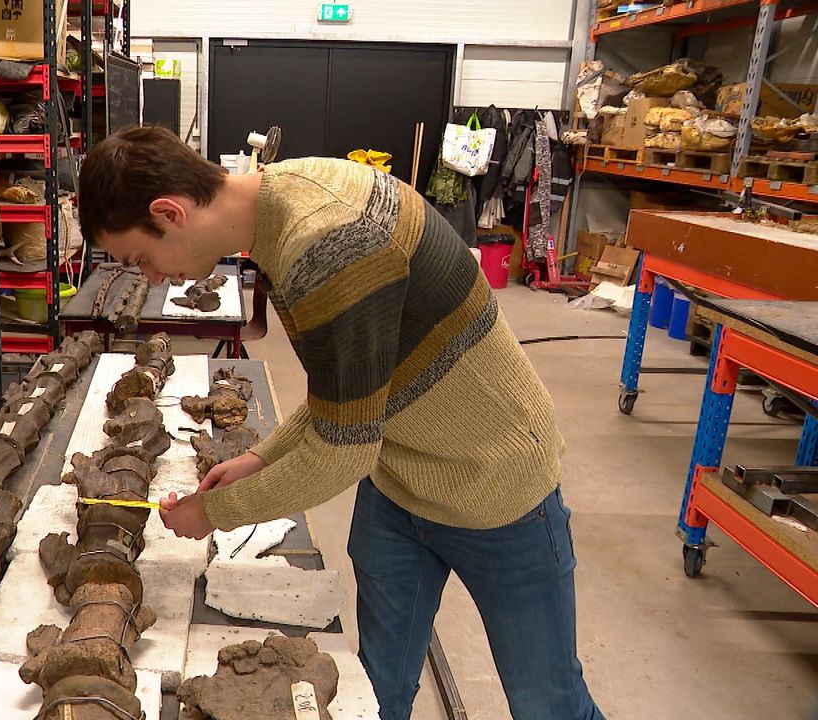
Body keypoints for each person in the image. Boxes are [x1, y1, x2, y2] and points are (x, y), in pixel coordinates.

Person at [77, 125, 603, 720]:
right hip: (399, 483)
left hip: (496, 490)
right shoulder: (279, 215)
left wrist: (216, 513)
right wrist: (258, 458)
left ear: (169, 212)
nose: (147, 277)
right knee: (371, 692)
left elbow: (344, 452)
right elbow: (348, 396)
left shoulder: (329, 241)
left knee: (548, 704)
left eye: (140, 259)